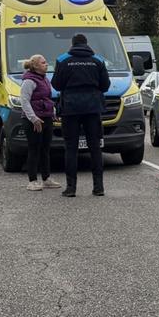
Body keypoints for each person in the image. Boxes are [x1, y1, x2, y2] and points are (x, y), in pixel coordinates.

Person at [51, 34, 111, 197]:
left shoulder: (63, 59)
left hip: (70, 108)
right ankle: (98, 187)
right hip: (92, 108)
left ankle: (71, 188)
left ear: (72, 44)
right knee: (95, 147)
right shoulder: (97, 60)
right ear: (86, 44)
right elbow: (105, 85)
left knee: (71, 148)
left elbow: (56, 84)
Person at [19, 55, 61, 192]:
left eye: (46, 62)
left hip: (46, 118)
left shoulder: (45, 79)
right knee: (34, 149)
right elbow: (24, 101)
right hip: (34, 121)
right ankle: (32, 181)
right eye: (43, 63)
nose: (46, 65)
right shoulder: (29, 81)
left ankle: (46, 178)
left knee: (45, 149)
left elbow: (47, 98)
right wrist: (33, 118)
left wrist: (53, 112)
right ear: (35, 66)